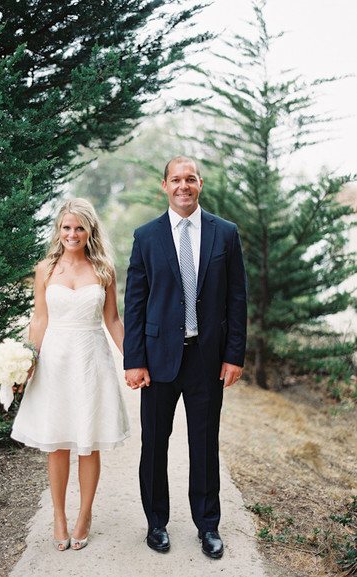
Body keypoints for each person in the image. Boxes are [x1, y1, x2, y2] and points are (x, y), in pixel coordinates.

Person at [123, 156, 247, 559]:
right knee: (154, 444)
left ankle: (207, 526)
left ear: (200, 184)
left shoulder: (225, 233)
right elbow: (135, 303)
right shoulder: (146, 236)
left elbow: (237, 298)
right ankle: (156, 523)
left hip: (207, 359)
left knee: (205, 445)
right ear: (165, 186)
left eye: (190, 179)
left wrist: (234, 355)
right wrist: (134, 360)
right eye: (176, 179)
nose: (183, 186)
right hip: (158, 359)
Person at [11, 198, 130, 551]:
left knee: (88, 442)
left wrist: (134, 361)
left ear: (90, 230)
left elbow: (113, 320)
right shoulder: (45, 269)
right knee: (58, 442)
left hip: (92, 360)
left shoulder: (104, 269)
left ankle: (84, 514)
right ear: (59, 230)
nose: (72, 234)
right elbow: (39, 320)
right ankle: (59, 516)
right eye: (66, 227)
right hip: (55, 362)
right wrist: (27, 363)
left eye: (79, 228)